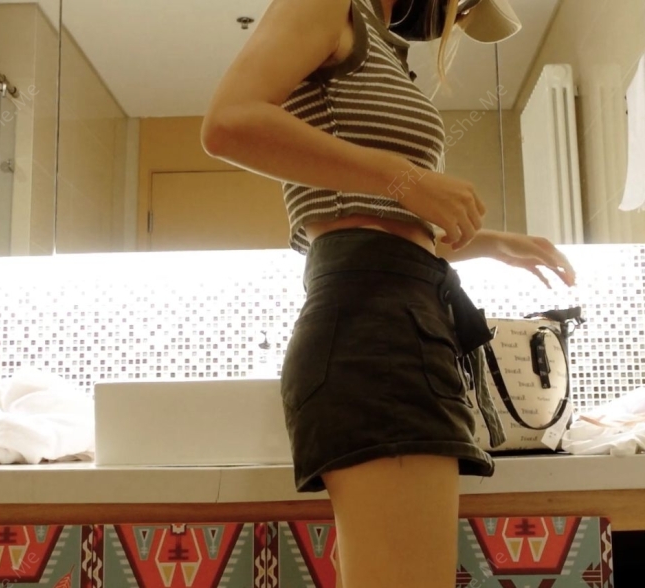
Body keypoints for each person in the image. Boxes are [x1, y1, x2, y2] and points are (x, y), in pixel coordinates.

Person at [202, 0, 576, 586]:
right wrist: (405, 178)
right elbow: (228, 124)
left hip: (397, 316)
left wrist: (490, 243)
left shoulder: (382, 44)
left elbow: (378, 222)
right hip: (377, 327)